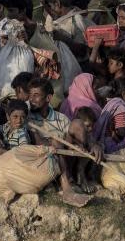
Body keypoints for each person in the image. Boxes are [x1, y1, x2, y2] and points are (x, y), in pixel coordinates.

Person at [25, 77, 91, 207]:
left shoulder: (60, 118)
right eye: (30, 95)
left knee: (77, 124)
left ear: (48, 98)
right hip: (42, 161)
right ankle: (66, 187)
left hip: (65, 160)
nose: (31, 100)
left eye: (36, 95)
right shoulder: (27, 117)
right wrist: (53, 142)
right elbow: (37, 142)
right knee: (55, 141)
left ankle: (79, 172)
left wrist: (90, 144)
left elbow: (76, 136)